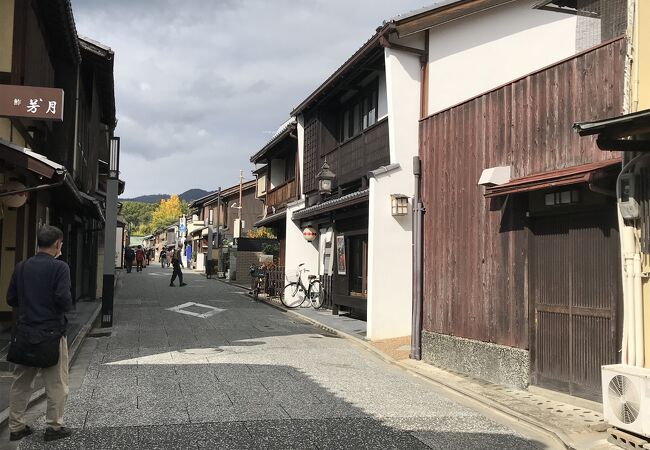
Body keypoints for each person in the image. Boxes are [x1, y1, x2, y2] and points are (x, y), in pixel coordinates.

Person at [7, 225, 73, 442]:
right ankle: (53, 427)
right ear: (57, 244)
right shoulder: (60, 268)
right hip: (51, 334)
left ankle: (16, 427)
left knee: (21, 382)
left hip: (25, 332)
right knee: (56, 383)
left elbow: (11, 299)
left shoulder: (22, 266)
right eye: (61, 244)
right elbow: (64, 300)